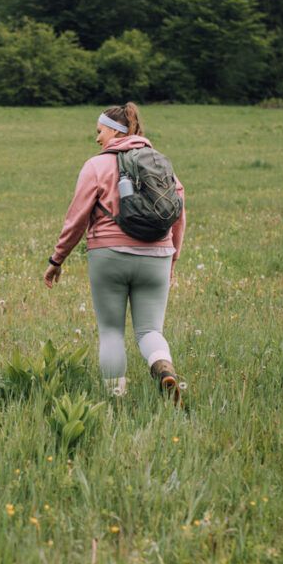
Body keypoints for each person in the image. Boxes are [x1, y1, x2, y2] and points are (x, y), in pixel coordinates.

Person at [43, 103, 186, 401]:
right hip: (157, 255)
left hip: (108, 255)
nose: (97, 139)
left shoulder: (96, 165)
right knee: (149, 330)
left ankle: (116, 400)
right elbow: (179, 215)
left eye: (100, 131)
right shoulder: (161, 163)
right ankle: (163, 365)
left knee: (111, 331)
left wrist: (57, 259)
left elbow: (76, 218)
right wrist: (171, 260)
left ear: (115, 131)